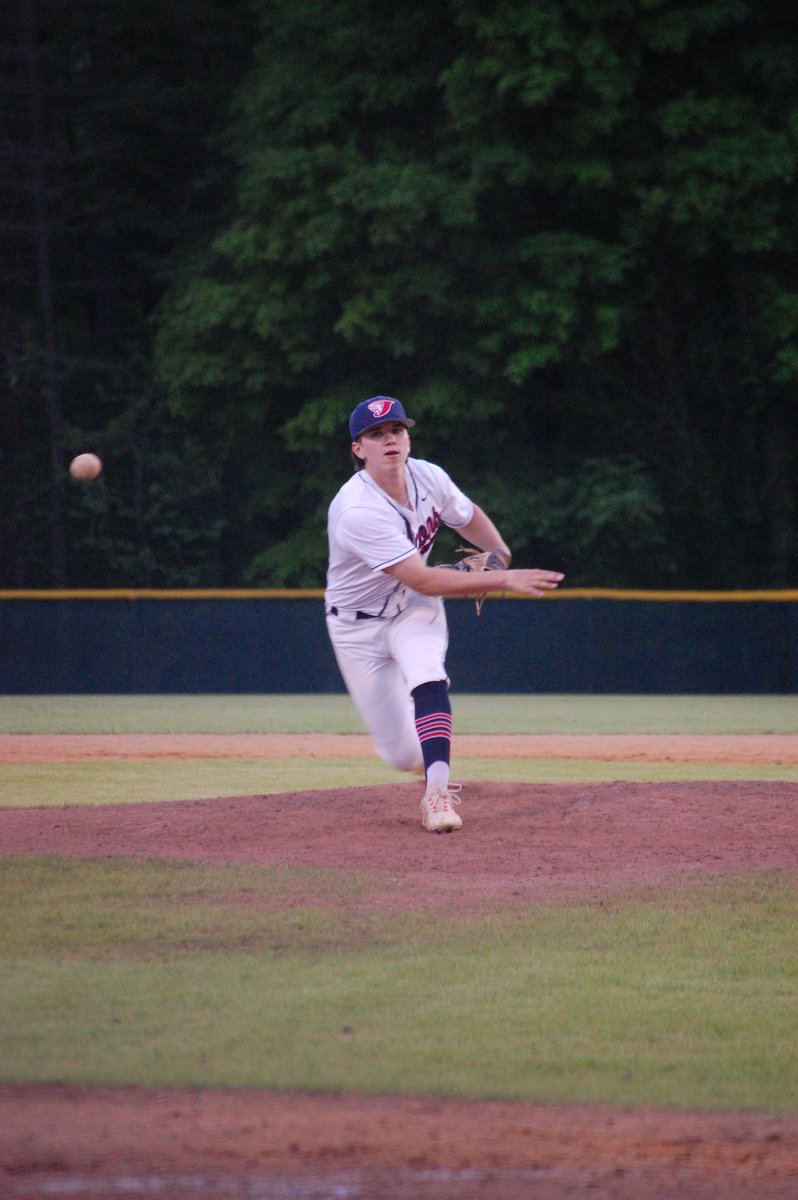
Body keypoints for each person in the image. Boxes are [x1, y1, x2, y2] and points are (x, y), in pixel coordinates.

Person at [324, 395, 564, 833]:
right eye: (376, 435)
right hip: (357, 626)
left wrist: (500, 555)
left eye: (396, 430)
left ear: (407, 436)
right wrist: (503, 580)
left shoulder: (429, 477)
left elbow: (468, 517)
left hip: (412, 608)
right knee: (401, 755)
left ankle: (437, 795)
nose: (389, 440)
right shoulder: (357, 510)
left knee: (427, 674)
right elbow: (425, 579)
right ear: (358, 449)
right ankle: (426, 764)